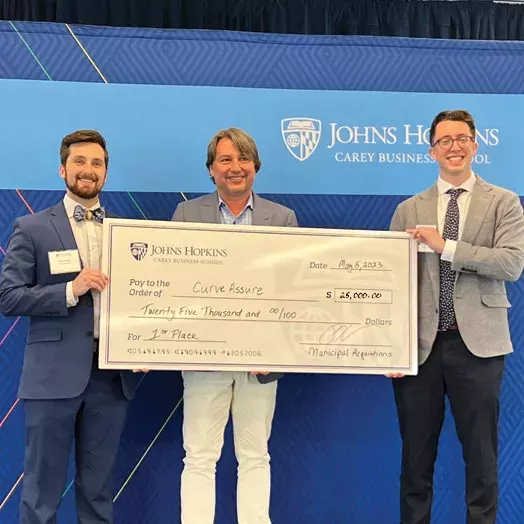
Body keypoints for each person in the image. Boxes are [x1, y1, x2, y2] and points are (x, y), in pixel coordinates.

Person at [389, 110, 524, 524]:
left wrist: (446, 245)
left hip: (479, 348)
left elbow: (511, 264)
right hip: (420, 349)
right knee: (415, 460)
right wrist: (391, 348)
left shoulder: (504, 202)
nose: (454, 146)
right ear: (432, 150)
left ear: (475, 146)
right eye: (445, 140)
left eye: (462, 138)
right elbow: (392, 284)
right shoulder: (409, 210)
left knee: (481, 460)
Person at [0, 130, 140, 524]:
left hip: (112, 377)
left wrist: (143, 345)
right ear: (63, 168)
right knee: (41, 492)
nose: (88, 170)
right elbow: (8, 297)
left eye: (97, 163)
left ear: (106, 174)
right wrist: (69, 290)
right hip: (53, 376)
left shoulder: (130, 234)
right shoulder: (31, 227)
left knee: (98, 491)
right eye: (79, 162)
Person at [172, 127, 298, 524]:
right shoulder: (186, 215)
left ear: (255, 167)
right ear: (211, 169)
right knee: (199, 457)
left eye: (243, 159)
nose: (235, 167)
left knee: (255, 455)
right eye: (225, 160)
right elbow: (171, 286)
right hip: (203, 356)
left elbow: (294, 291)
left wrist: (276, 350)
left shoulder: (282, 218)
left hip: (261, 361)